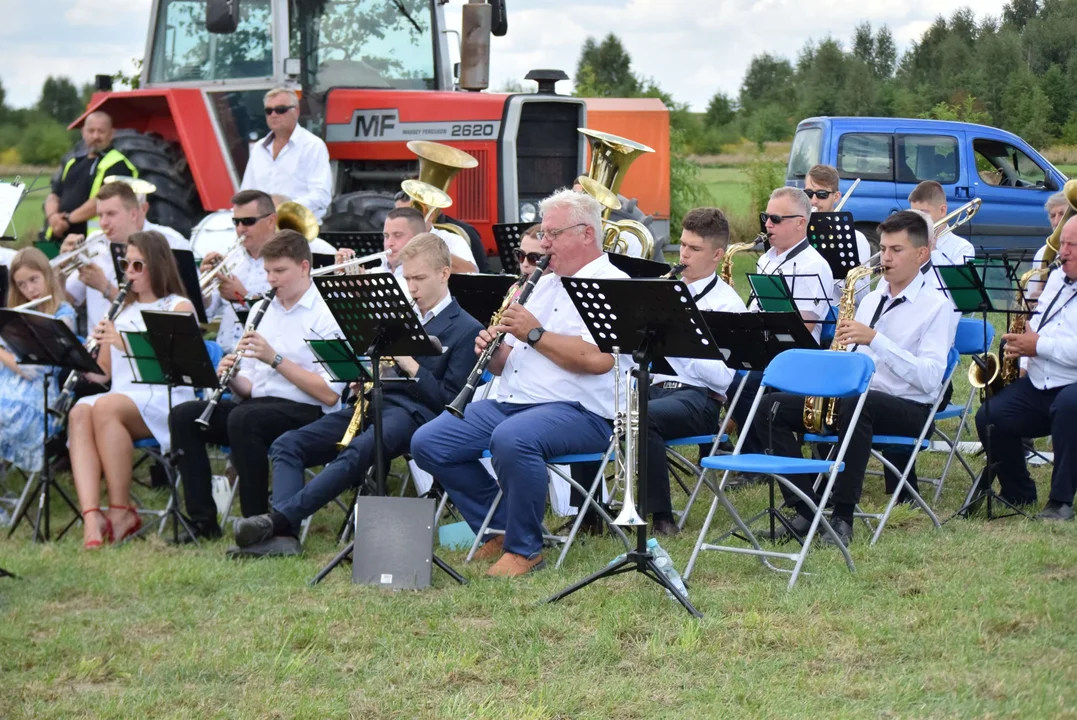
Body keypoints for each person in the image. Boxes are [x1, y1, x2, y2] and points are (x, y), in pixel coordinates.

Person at [410, 188, 628, 577]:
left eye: (552, 234)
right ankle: (498, 526)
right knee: (430, 442)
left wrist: (535, 333)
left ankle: (525, 550)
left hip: (583, 412)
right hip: (517, 402)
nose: (544, 243)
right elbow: (513, 359)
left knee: (513, 438)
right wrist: (493, 352)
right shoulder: (543, 282)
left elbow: (598, 360)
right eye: (543, 234)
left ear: (586, 235)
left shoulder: (612, 284)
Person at [230, 233, 483, 556]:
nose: (412, 288)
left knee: (359, 449)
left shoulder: (465, 327)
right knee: (287, 445)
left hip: (416, 415)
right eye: (407, 279)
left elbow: (449, 401)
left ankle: (277, 521)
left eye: (419, 278)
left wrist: (412, 367)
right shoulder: (398, 314)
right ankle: (284, 538)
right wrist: (361, 373)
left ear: (444, 274)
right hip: (373, 401)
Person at [745, 210, 956, 546]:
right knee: (771, 406)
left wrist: (876, 339)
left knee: (859, 404)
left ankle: (843, 516)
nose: (885, 258)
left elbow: (930, 380)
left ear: (921, 254)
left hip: (910, 410)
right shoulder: (871, 298)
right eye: (883, 249)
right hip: (856, 402)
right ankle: (804, 508)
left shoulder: (937, 307)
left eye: (896, 250)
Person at [570, 208, 748, 537]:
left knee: (641, 416)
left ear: (717, 255)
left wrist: (683, 335)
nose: (683, 254)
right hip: (655, 387)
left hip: (700, 398)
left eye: (695, 249)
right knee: (589, 405)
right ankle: (589, 512)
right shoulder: (663, 291)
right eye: (682, 246)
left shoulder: (728, 305)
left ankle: (661, 516)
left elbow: (724, 379)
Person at [169, 230, 344, 541]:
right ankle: (202, 522)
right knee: (184, 415)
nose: (271, 279)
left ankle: (257, 524)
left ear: (304, 267)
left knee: (244, 418)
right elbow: (248, 387)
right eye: (267, 271)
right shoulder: (262, 310)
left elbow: (329, 394)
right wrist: (230, 374)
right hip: (258, 407)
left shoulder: (327, 313)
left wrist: (275, 359)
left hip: (309, 411)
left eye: (280, 271)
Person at [70, 231, 195, 549]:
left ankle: (120, 509)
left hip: (166, 397)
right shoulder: (121, 310)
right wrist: (80, 358)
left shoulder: (178, 306)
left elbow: (178, 365)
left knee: (105, 407)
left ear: (157, 265)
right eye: (127, 264)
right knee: (81, 410)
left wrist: (123, 342)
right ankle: (91, 517)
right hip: (124, 396)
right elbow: (106, 375)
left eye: (138, 265)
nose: (130, 272)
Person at [974, 216, 1077, 520]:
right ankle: (1018, 491)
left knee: (1069, 407)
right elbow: (1040, 325)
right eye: (1063, 244)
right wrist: (1022, 348)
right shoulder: (1058, 278)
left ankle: (1060, 501)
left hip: (1072, 385)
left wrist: (1037, 346)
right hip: (1041, 380)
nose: (1064, 251)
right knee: (991, 416)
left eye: (1073, 245)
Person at [728, 186, 835, 454]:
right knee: (726, 375)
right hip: (767, 347)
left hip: (798, 355)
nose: (767, 224)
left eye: (776, 219)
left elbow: (806, 326)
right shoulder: (766, 259)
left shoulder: (814, 265)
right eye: (766, 217)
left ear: (801, 223)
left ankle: (756, 453)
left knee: (746, 384)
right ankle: (748, 447)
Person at [62, 181, 186, 331]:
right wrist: (61, 270)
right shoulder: (94, 243)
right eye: (100, 215)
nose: (103, 223)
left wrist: (105, 288)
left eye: (111, 214)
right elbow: (68, 299)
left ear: (133, 214)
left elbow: (153, 315)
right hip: (97, 345)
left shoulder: (170, 242)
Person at [0, 249, 76, 473]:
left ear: (47, 275)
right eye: (22, 285)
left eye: (34, 280)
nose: (30, 290)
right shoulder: (14, 314)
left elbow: (36, 369)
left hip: (34, 401)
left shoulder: (64, 315)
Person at [199, 190, 276, 353]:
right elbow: (207, 314)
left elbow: (286, 315)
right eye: (236, 222)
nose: (241, 228)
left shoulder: (285, 261)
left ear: (271, 221)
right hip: (225, 352)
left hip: (263, 355)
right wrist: (204, 286)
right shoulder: (230, 259)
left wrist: (244, 297)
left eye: (248, 221)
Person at [240, 88, 332, 222]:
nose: (273, 115)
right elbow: (246, 193)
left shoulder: (313, 145)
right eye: (268, 111)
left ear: (296, 112)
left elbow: (321, 196)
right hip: (263, 230)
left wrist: (285, 209)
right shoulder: (258, 149)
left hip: (298, 230)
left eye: (281, 110)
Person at [44, 111, 136, 240]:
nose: (95, 136)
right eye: (91, 131)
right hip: (59, 238)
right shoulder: (72, 162)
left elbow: (104, 200)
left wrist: (68, 220)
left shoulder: (118, 164)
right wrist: (53, 217)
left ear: (111, 134)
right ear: (83, 132)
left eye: (101, 131)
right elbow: (54, 195)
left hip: (93, 242)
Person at [803, 164, 872, 303]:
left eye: (822, 194)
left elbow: (863, 295)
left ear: (836, 197)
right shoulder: (798, 235)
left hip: (835, 319)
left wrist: (835, 268)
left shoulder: (856, 239)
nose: (814, 201)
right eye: (809, 194)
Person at [908, 181, 975, 278]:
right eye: (914, 214)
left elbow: (953, 284)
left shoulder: (962, 248)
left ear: (942, 210)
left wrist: (933, 251)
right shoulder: (910, 243)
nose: (917, 220)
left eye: (924, 213)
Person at [1028, 191, 1069, 300]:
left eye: (1062, 214)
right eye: (1052, 216)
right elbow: (1032, 293)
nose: (1056, 222)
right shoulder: (1042, 252)